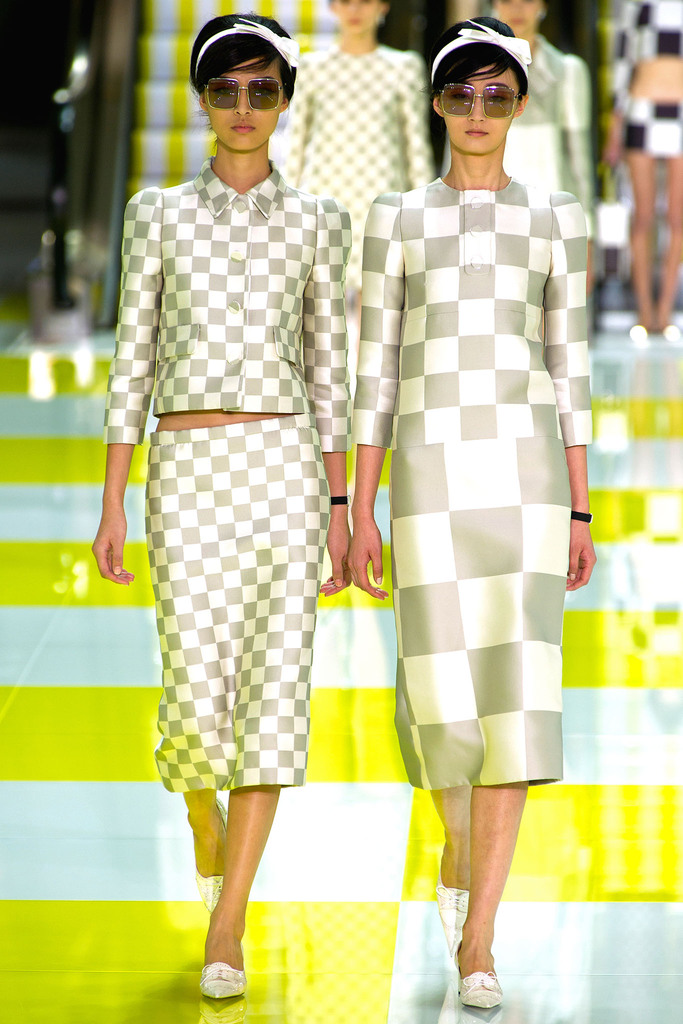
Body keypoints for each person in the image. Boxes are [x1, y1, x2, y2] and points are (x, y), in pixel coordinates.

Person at [92, 13, 352, 1000]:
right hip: (187, 471)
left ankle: (227, 918)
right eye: (225, 88)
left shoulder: (320, 221)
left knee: (272, 697)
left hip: (284, 469)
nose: (243, 107)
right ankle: (201, 813)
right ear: (202, 100)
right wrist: (113, 500)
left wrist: (340, 504)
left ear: (283, 101)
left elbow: (329, 370)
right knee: (196, 701)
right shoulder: (154, 213)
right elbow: (132, 354)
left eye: (262, 89)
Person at [348, 16, 595, 1009]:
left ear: (520, 104)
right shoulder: (396, 217)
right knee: (440, 704)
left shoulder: (557, 217)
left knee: (515, 703)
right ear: (437, 103)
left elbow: (569, 364)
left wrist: (580, 507)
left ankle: (479, 937)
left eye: (496, 94)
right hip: (425, 478)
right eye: (461, 93)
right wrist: (354, 504)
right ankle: (455, 849)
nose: (478, 111)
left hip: (527, 473)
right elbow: (373, 370)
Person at [283, 0, 435, 301]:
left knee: (379, 304)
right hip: (326, 196)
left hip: (382, 197)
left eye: (364, 1)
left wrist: (427, 212)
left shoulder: (404, 67)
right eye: (346, 2)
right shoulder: (312, 67)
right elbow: (296, 142)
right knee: (323, 303)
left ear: (383, 6)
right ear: (333, 7)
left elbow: (416, 146)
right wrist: (286, 205)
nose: (355, 10)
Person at [490, 0, 595, 275]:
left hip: (552, 215)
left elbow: (579, 159)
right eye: (507, 0)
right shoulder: (474, 70)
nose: (517, 9)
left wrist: (586, 232)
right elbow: (457, 152)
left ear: (543, 6)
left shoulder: (567, 71)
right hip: (489, 215)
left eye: (527, 0)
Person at [603, 0, 683, 337]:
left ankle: (665, 311)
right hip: (641, 107)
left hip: (680, 111)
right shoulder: (634, 4)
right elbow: (622, 57)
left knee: (678, 218)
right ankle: (645, 311)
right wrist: (615, 125)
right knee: (643, 216)